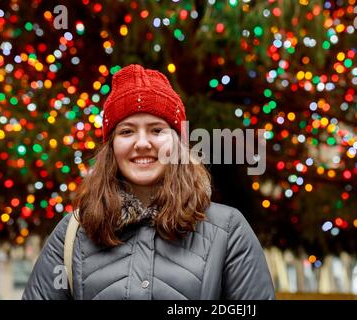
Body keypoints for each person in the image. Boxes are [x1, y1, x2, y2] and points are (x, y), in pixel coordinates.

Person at [22, 64, 275, 300]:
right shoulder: (73, 233)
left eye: (157, 130)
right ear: (111, 147)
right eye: (127, 131)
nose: (142, 143)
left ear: (178, 143)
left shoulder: (227, 232)